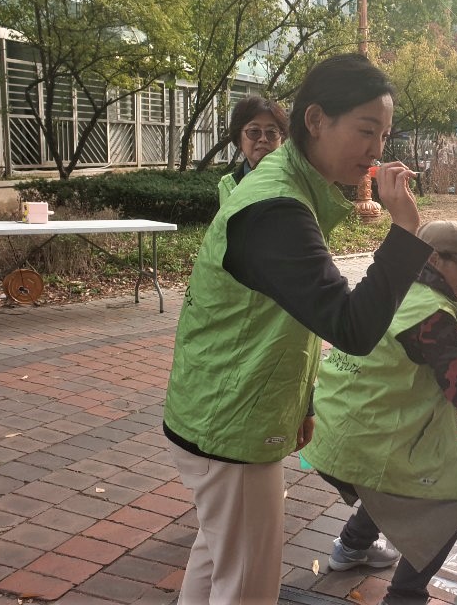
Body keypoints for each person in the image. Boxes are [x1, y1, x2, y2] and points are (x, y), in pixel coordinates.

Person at [163, 53, 432, 605]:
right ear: (316, 120)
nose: (377, 150)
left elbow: (285, 316)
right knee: (246, 587)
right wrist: (405, 230)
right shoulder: (276, 208)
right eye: (365, 130)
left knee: (217, 561)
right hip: (230, 424)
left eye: (384, 134)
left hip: (221, 408)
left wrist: (302, 404)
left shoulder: (287, 188)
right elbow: (352, 327)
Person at [303, 220, 457, 605]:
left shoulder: (388, 286)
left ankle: (351, 548)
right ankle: (405, 595)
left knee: (397, 481)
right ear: (437, 260)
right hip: (365, 444)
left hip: (327, 429)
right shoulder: (432, 312)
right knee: (455, 494)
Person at [218, 96, 289, 204]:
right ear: (239, 140)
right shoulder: (228, 185)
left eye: (271, 132)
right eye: (254, 131)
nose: (263, 139)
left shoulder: (296, 181)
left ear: (282, 139)